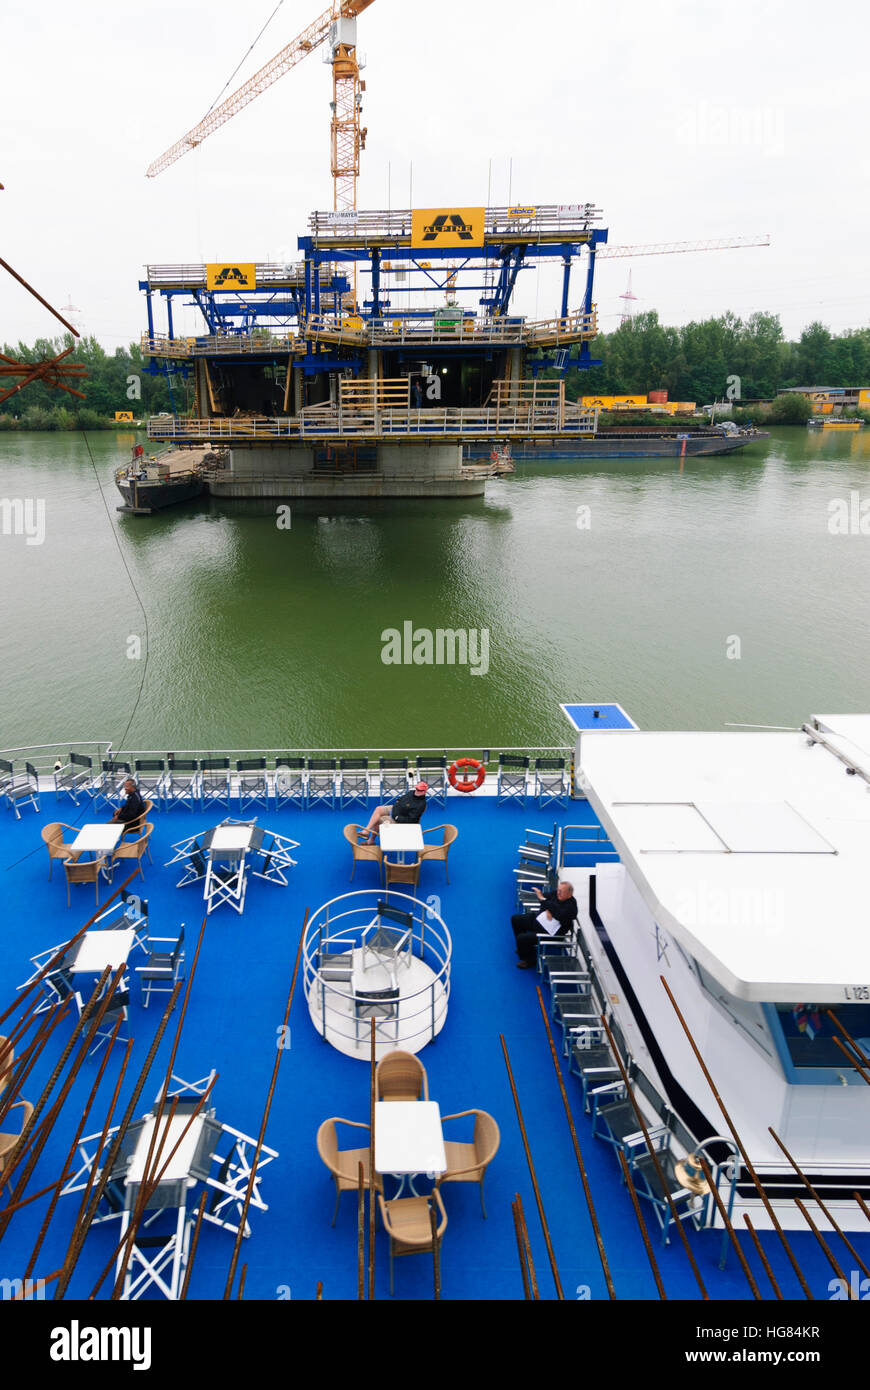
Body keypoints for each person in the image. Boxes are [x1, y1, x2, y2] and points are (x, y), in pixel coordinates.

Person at [511, 880, 577, 970]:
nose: (558, 893)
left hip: (550, 932)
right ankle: (524, 949)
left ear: (570, 894)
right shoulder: (557, 894)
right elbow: (542, 897)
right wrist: (548, 910)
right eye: (558, 890)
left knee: (522, 938)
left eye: (561, 892)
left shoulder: (571, 907)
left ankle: (530, 960)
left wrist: (547, 905)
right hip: (540, 920)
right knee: (516, 919)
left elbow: (559, 913)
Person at [361, 781, 428, 841]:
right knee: (379, 809)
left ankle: (371, 840)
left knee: (379, 819)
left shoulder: (421, 805)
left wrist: (397, 817)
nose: (416, 791)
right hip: (396, 810)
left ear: (424, 792)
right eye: (416, 788)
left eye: (419, 790)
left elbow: (412, 820)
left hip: (400, 819)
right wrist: (396, 808)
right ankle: (366, 830)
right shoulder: (411, 793)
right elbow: (399, 800)